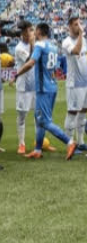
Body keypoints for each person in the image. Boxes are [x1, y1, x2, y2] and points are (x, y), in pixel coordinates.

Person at [13, 22, 78, 160]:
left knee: (45, 121)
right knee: (40, 119)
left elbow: (31, 62)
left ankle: (70, 142)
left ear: (39, 32)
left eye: (35, 30)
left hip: (43, 89)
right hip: (53, 86)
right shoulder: (53, 46)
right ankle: (37, 149)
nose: (33, 32)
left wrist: (17, 74)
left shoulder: (39, 45)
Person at [61, 17, 87, 153]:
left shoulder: (82, 40)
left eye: (80, 24)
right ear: (69, 27)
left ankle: (81, 142)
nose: (79, 26)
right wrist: (82, 34)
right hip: (74, 84)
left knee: (83, 112)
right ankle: (70, 144)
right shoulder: (66, 42)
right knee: (72, 112)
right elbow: (77, 51)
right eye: (76, 24)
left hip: (85, 82)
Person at [13, 21, 35, 155]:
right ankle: (21, 144)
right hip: (23, 86)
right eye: (28, 31)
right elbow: (30, 61)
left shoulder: (35, 44)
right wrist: (33, 44)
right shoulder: (19, 48)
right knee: (22, 115)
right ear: (22, 33)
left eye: (31, 30)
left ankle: (39, 141)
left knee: (38, 114)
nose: (30, 33)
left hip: (34, 85)